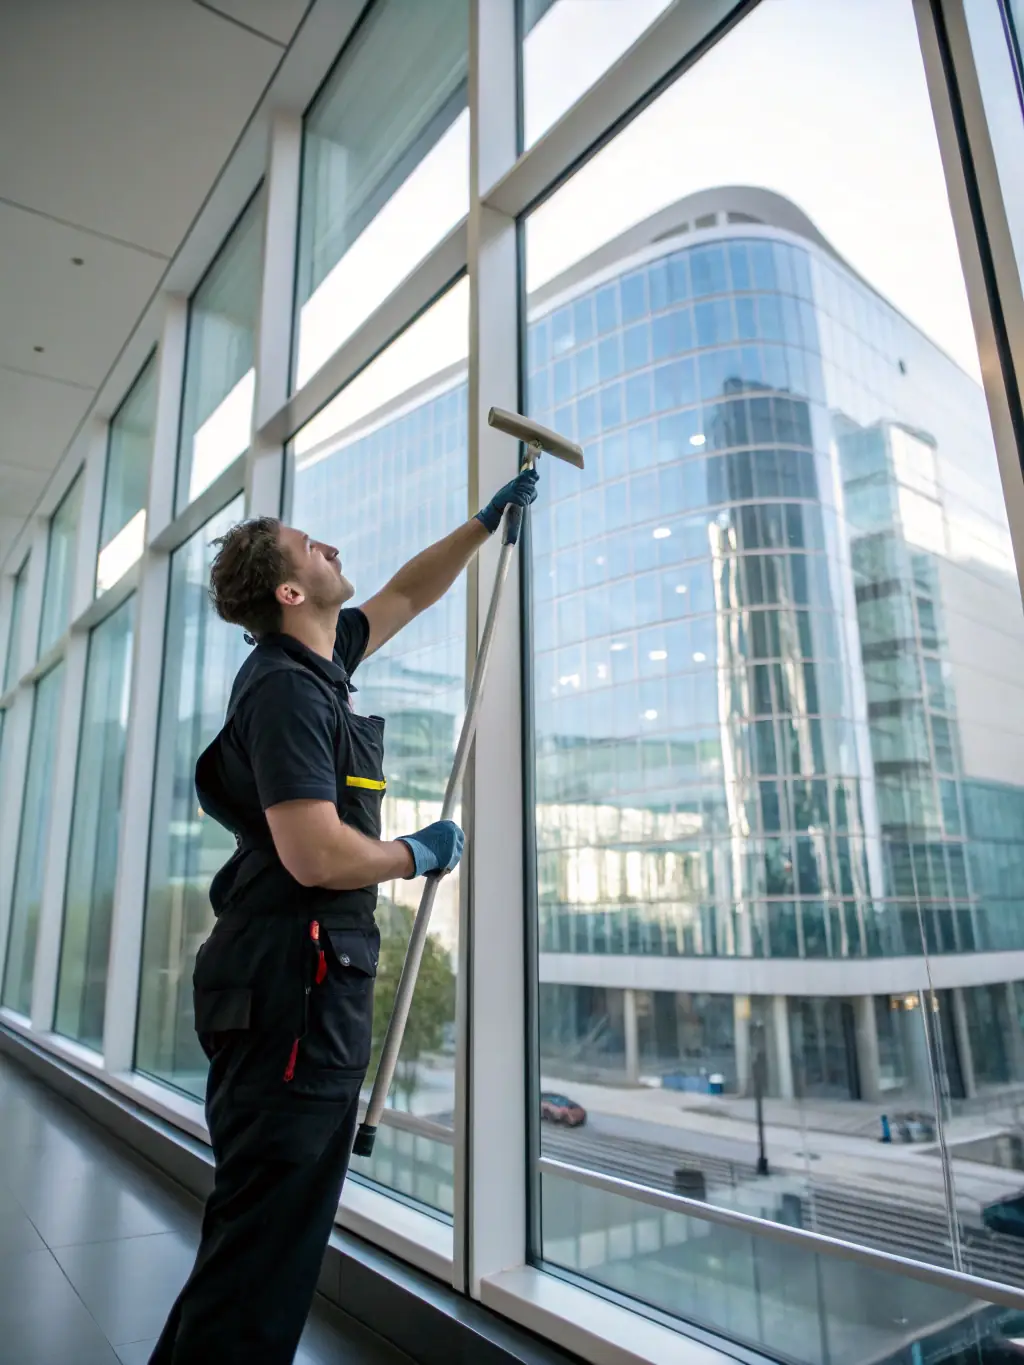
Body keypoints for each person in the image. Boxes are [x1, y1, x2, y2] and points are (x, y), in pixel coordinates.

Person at [149, 467, 539, 1364]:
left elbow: (408, 589)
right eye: (308, 544)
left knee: (262, 1253)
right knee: (258, 1261)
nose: (329, 545)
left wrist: (484, 524)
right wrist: (415, 853)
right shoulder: (284, 689)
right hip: (288, 997)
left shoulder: (323, 664)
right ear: (291, 591)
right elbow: (315, 853)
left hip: (308, 992)